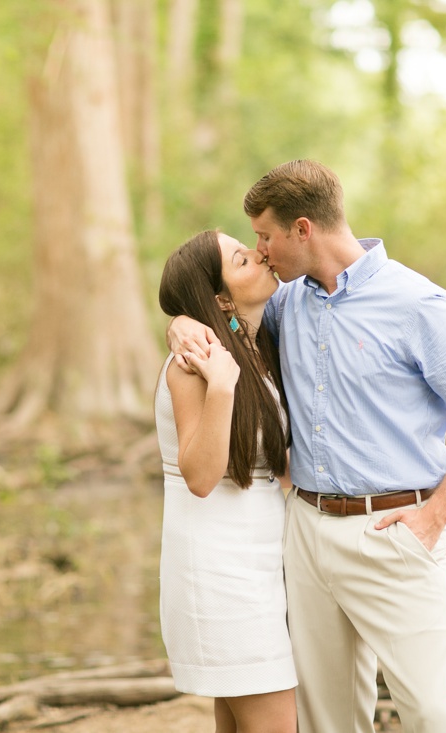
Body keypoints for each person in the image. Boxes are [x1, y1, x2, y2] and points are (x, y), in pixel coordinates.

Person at [168, 160, 446, 733]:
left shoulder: (417, 303)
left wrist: (436, 515)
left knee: (428, 712)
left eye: (266, 237)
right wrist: (179, 319)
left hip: (394, 534)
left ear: (303, 230)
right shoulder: (286, 303)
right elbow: (223, 309)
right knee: (328, 719)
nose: (261, 250)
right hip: (305, 534)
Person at [155, 229, 298, 733]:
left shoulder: (254, 346)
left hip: (260, 562)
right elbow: (200, 475)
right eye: (242, 258)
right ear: (220, 297)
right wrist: (221, 385)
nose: (261, 253)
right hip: (219, 572)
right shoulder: (194, 367)